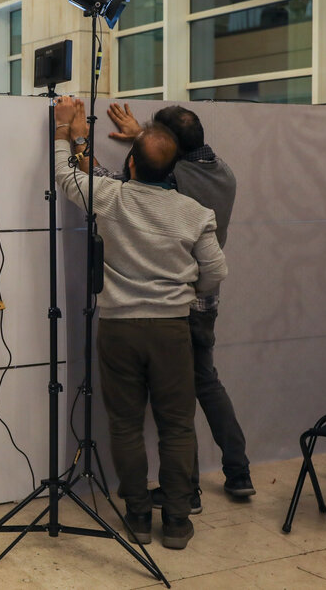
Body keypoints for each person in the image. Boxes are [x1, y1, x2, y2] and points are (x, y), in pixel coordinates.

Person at [54, 96, 227, 550]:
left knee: (126, 424)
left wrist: (63, 131)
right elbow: (217, 272)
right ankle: (175, 522)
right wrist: (190, 293)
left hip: (119, 329)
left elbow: (65, 177)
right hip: (172, 330)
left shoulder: (111, 198)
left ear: (130, 165)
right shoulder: (195, 213)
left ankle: (136, 516)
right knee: (176, 425)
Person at [107, 102, 254, 510]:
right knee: (206, 382)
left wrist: (138, 142)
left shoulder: (172, 178)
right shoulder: (224, 172)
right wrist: (142, 135)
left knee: (176, 405)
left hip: (175, 300)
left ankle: (185, 494)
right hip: (208, 298)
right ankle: (238, 470)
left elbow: (131, 190)